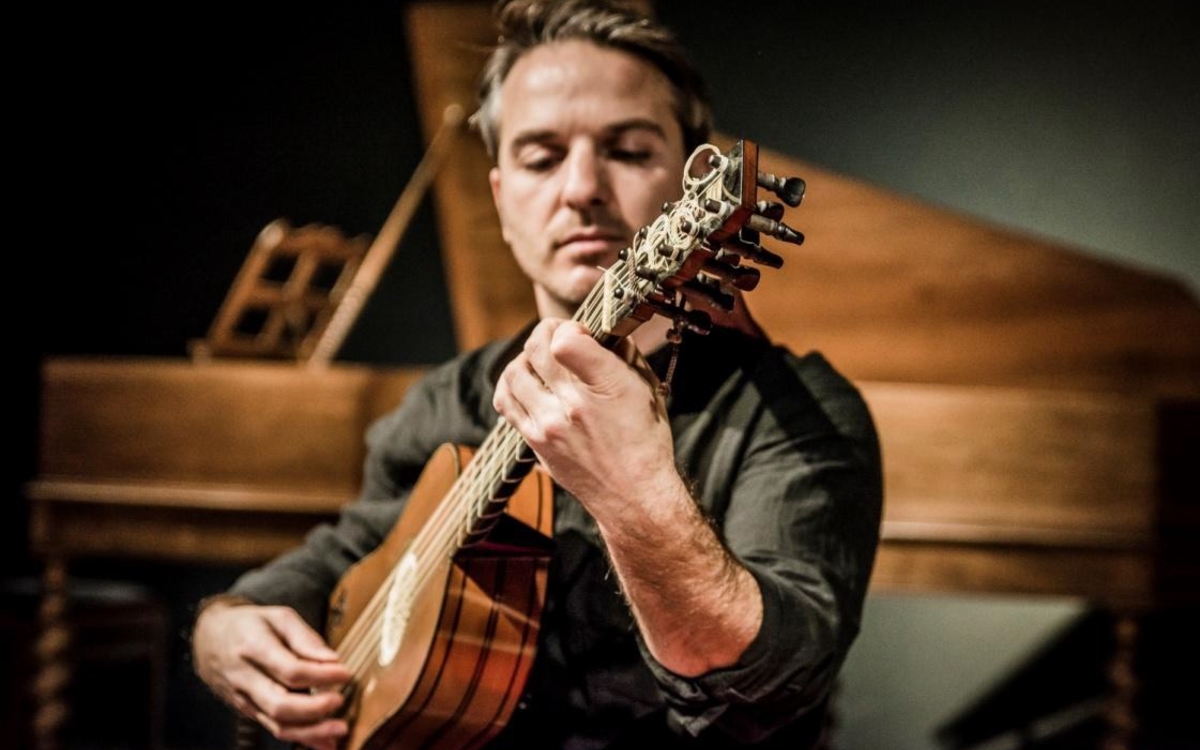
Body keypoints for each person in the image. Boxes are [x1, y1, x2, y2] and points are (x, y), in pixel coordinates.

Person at [191, 1, 883, 748]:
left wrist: (636, 495)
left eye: (629, 150)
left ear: (692, 180)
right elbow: (351, 551)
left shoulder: (797, 415)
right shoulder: (452, 397)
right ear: (501, 200)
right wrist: (221, 627)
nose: (581, 187)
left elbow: (770, 696)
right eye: (541, 158)